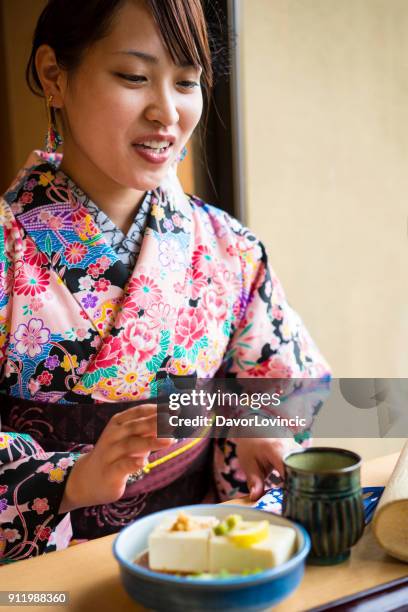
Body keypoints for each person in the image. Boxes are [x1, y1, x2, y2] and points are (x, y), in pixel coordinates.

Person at [0, 0, 330, 563]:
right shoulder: (10, 255)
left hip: (196, 559)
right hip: (48, 579)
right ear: (54, 74)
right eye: (133, 76)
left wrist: (247, 423)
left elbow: (292, 387)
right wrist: (71, 478)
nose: (167, 112)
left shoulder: (228, 247)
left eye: (186, 82)